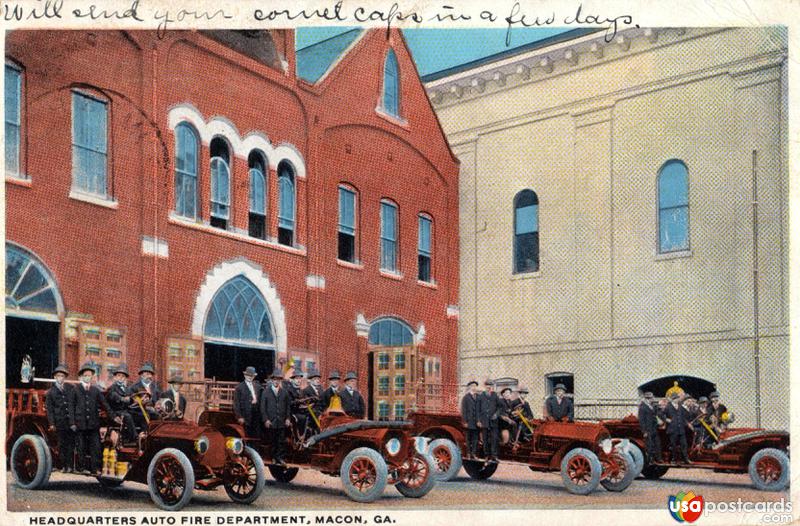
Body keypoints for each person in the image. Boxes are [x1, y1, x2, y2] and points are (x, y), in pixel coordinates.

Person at [70, 363, 117, 475]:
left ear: (92, 377)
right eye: (85, 375)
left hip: (93, 424)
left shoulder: (95, 390)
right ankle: (82, 468)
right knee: (81, 446)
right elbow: (71, 407)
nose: (87, 377)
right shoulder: (75, 390)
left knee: (95, 446)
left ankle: (95, 468)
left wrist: (114, 416)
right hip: (79, 423)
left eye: (90, 375)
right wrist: (72, 422)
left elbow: (105, 404)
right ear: (81, 377)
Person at [46, 364, 75, 472]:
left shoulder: (70, 388)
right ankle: (63, 466)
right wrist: (52, 424)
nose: (60, 378)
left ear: (65, 377)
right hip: (59, 422)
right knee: (62, 444)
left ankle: (70, 466)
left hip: (70, 422)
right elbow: (50, 410)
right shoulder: (50, 392)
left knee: (71, 444)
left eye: (62, 376)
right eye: (58, 376)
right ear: (54, 377)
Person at [261, 368, 291, 466]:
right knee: (272, 441)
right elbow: (263, 407)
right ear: (272, 380)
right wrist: (266, 420)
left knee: (281, 441)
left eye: (278, 379)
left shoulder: (284, 393)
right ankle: (273, 458)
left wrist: (287, 418)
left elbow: (288, 407)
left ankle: (280, 458)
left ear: (280, 381)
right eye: (274, 379)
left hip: (281, 421)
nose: (276, 381)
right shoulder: (266, 392)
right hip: (271, 421)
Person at [105, 364, 138, 444]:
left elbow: (131, 398)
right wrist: (122, 399)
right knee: (128, 416)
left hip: (126, 410)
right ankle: (134, 437)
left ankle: (144, 433)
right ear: (115, 377)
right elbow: (114, 396)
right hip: (116, 411)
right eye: (119, 375)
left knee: (140, 414)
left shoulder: (127, 389)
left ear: (125, 378)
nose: (121, 378)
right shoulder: (112, 388)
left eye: (123, 376)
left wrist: (135, 400)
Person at [233, 366, 264, 438]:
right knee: (246, 435)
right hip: (246, 415)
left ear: (254, 376)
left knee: (256, 435)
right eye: (248, 375)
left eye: (252, 375)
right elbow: (236, 404)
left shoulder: (258, 386)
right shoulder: (239, 388)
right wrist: (239, 417)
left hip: (256, 415)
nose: (250, 377)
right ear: (245, 375)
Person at [130, 362, 161, 428]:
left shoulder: (155, 387)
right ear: (141, 375)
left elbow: (159, 399)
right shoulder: (134, 387)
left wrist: (157, 405)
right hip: (140, 411)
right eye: (147, 374)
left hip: (154, 411)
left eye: (150, 374)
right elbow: (132, 403)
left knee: (162, 417)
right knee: (146, 416)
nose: (149, 376)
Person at [664, 392, 692, 464]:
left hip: (681, 429)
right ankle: (674, 459)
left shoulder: (680, 406)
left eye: (677, 398)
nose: (677, 400)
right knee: (673, 445)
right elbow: (661, 414)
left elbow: (683, 417)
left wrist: (687, 424)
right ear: (672, 399)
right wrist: (666, 419)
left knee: (684, 444)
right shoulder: (668, 407)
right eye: (675, 398)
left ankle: (685, 459)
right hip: (673, 429)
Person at [479, 379, 501, 461]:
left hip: (493, 422)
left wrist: (496, 414)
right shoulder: (481, 396)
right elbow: (478, 409)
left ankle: (494, 456)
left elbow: (500, 407)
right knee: (485, 439)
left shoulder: (495, 395)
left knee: (494, 439)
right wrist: (479, 420)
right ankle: (486, 456)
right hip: (484, 421)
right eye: (487, 385)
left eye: (490, 385)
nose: (489, 387)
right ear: (485, 386)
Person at [638, 391, 662, 463]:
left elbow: (655, 416)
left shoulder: (652, 406)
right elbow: (641, 420)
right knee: (650, 445)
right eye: (651, 398)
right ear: (647, 399)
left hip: (654, 428)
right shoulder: (642, 407)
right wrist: (644, 431)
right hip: (648, 429)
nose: (653, 399)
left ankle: (658, 458)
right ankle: (650, 460)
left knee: (657, 443)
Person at [460, 380, 480, 459]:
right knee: (468, 439)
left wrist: (480, 421)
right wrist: (465, 422)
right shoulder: (466, 397)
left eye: (475, 386)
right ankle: (468, 453)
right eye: (472, 386)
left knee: (475, 439)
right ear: (469, 387)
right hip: (469, 422)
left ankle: (473, 454)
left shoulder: (478, 397)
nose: (474, 388)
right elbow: (463, 410)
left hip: (476, 422)